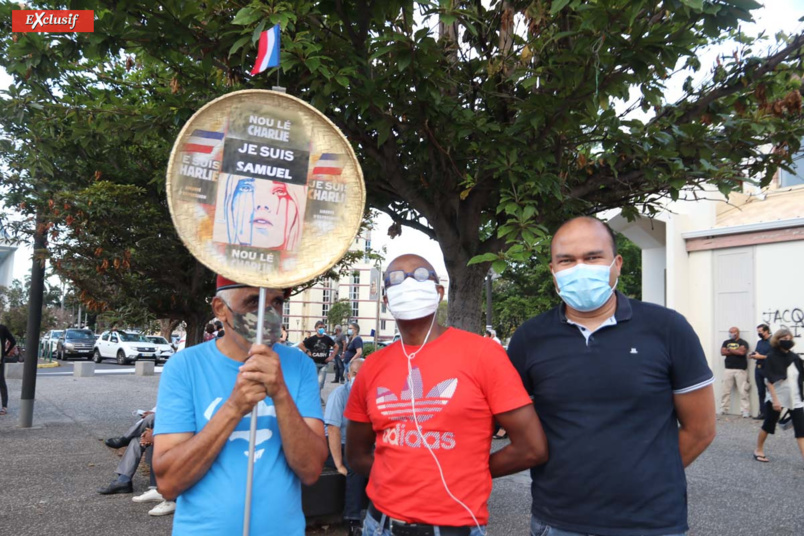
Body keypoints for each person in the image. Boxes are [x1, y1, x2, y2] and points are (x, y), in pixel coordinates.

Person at [507, 216, 716, 536]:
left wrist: (649, 478)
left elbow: (700, 430)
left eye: (593, 257)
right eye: (567, 260)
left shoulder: (668, 328)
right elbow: (514, 426)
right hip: (559, 522)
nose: (580, 268)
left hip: (652, 524)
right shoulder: (529, 338)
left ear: (616, 264)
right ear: (553, 270)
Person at [346, 254, 548, 536]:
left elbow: (532, 447)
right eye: (396, 279)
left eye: (420, 275)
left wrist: (469, 474)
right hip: (380, 526)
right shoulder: (372, 367)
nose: (408, 284)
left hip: (455, 528)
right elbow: (356, 454)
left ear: (439, 291)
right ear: (386, 300)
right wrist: (401, 477)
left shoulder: (483, 354)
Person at [152, 275, 327, 535]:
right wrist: (234, 408)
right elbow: (169, 483)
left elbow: (311, 470)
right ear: (220, 309)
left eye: (277, 302)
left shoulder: (299, 365)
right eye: (253, 301)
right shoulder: (185, 367)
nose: (268, 314)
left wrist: (280, 393)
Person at [99, 411, 177, 516]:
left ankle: (123, 440)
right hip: (171, 420)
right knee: (138, 438)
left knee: (151, 418)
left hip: (183, 426)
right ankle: (124, 480)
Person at [324, 357, 367, 535]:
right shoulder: (340, 394)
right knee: (355, 465)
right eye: (356, 373)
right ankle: (352, 519)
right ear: (349, 375)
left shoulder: (372, 395)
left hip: (360, 445)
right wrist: (339, 464)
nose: (359, 377)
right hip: (336, 445)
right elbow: (333, 429)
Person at [753, 328, 804, 463]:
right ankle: (758, 449)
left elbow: (800, 376)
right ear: (777, 340)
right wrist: (775, 400)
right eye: (784, 339)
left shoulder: (794, 357)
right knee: (768, 425)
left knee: (801, 430)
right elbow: (768, 380)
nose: (788, 341)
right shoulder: (771, 357)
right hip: (777, 397)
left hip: (795, 398)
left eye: (789, 339)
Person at [720, 326, 751, 417]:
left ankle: (745, 410)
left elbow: (742, 352)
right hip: (728, 369)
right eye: (730, 332)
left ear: (737, 333)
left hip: (740, 369)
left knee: (743, 391)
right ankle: (724, 409)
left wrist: (729, 350)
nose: (731, 334)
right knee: (725, 390)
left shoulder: (743, 342)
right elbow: (723, 352)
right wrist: (736, 350)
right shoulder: (726, 342)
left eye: (733, 332)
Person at [298, 320, 336, 391]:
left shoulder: (327, 339)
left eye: (323, 327)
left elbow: (336, 346)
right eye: (320, 327)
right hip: (314, 364)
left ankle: (317, 395)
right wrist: (307, 352)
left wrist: (332, 356)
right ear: (315, 328)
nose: (321, 329)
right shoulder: (312, 339)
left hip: (324, 364)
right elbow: (300, 345)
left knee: (320, 384)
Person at [750, 323, 772, 420]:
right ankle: (763, 413)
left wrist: (760, 356)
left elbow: (773, 357)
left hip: (768, 368)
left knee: (771, 392)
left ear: (766, 331)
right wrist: (753, 355)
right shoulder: (759, 342)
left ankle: (771, 414)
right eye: (758, 331)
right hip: (758, 368)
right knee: (761, 391)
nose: (759, 333)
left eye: (760, 331)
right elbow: (757, 353)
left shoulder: (772, 342)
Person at [0, 323, 17, 416]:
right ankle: (4, 407)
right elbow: (13, 341)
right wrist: (5, 353)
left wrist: (5, 353)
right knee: (1, 382)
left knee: (1, 382)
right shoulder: (2, 328)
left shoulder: (2, 328)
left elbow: (13, 341)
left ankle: (4, 406)